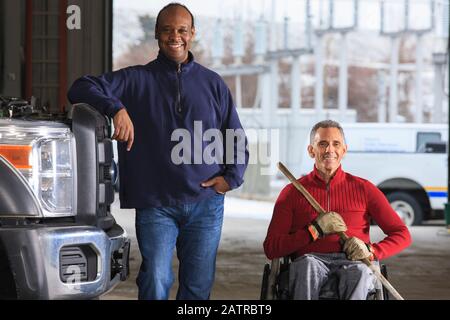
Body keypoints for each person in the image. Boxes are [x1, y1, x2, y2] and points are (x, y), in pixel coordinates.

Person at [68, 3, 248, 300]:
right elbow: (80, 87)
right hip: (156, 205)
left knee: (198, 287)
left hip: (205, 204)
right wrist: (117, 108)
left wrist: (232, 177)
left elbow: (235, 136)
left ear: (192, 34)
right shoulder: (135, 80)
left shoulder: (213, 84)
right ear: (157, 34)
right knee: (155, 279)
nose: (174, 36)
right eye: (167, 30)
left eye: (181, 30)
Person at [263, 120, 411, 300]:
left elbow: (402, 234)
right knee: (307, 266)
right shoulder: (291, 193)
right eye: (322, 144)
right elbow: (271, 248)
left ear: (344, 150)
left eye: (336, 144)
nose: (329, 150)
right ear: (311, 150)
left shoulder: (364, 189)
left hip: (353, 261)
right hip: (309, 260)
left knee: (360, 271)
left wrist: (371, 250)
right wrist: (313, 231)